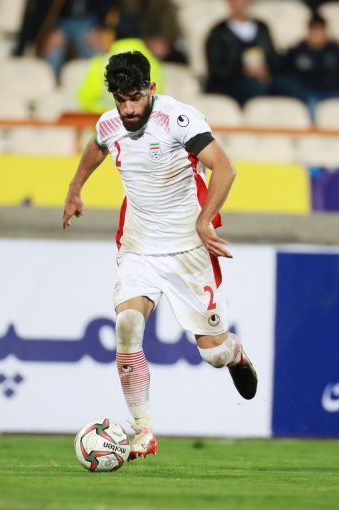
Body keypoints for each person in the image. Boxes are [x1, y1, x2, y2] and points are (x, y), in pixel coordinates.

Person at [62, 50, 258, 459]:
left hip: (189, 248)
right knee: (127, 324)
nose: (128, 109)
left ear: (151, 89)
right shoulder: (110, 123)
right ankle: (142, 430)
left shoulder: (178, 119)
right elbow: (96, 147)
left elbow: (225, 169)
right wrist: (75, 189)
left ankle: (235, 354)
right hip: (139, 246)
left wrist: (205, 220)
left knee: (214, 353)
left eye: (135, 98)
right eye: (120, 100)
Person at [204, 0, 278, 106]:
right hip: (230, 83)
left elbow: (274, 58)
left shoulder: (262, 28)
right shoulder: (218, 31)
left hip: (264, 79)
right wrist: (243, 70)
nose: (238, 3)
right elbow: (215, 68)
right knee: (255, 88)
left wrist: (266, 70)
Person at [276, 13, 339, 115]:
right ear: (308, 32)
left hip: (331, 91)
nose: (316, 35)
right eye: (314, 31)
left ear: (325, 32)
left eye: (320, 30)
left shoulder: (335, 51)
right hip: (305, 93)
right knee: (311, 102)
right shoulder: (297, 51)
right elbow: (282, 72)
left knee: (336, 107)